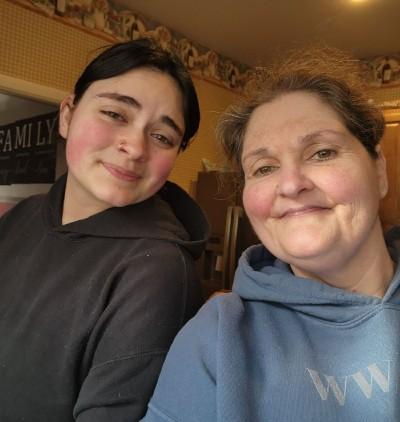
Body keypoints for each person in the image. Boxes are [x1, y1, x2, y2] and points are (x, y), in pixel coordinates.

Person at [141, 46, 400, 422]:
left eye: (322, 152)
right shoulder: (217, 338)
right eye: (264, 168)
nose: (291, 184)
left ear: (379, 171)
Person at [0, 38, 209, 421]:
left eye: (162, 137)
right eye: (115, 114)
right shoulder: (20, 216)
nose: (134, 147)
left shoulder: (158, 270)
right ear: (67, 114)